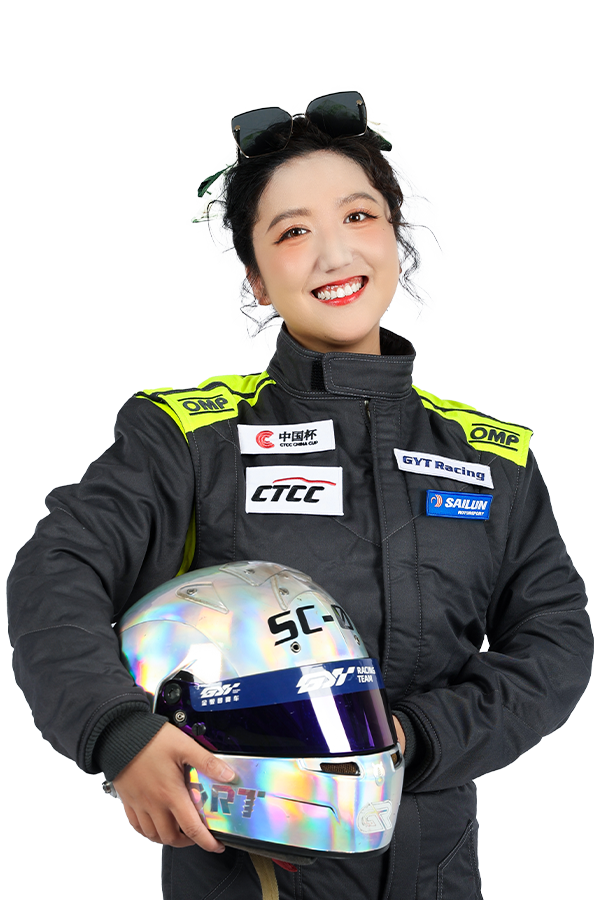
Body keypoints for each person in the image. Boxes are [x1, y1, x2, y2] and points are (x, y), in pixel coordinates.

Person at [7, 90, 593, 899]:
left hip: (439, 870)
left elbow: (555, 642)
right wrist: (118, 731)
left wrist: (411, 739)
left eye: (358, 216)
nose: (333, 253)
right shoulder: (189, 439)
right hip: (246, 867)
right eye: (292, 232)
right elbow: (56, 574)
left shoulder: (494, 460)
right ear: (255, 278)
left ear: (395, 238)